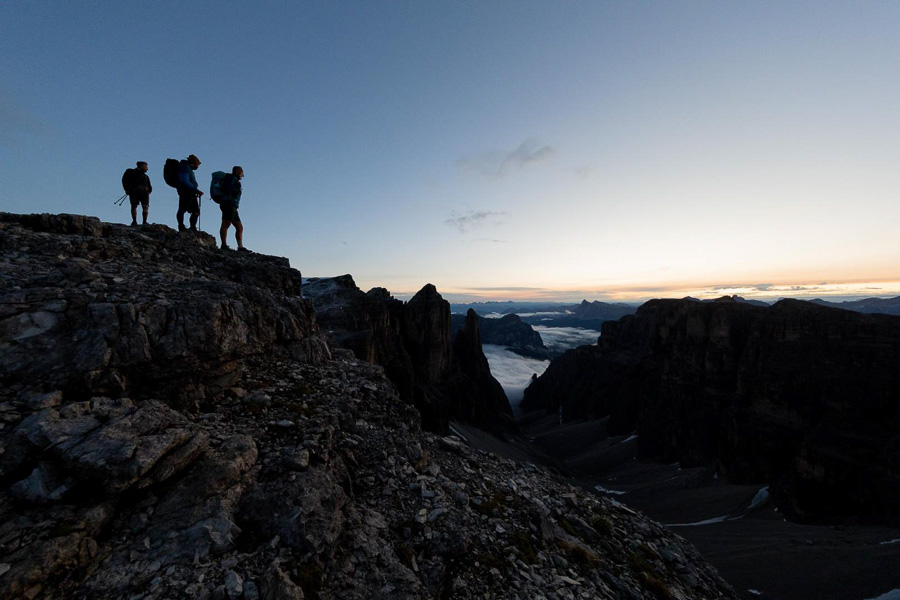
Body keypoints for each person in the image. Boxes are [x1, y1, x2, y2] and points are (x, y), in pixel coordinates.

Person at [218, 166, 249, 251]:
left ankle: (240, 247)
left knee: (239, 227)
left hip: (233, 205)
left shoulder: (234, 179)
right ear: (236, 171)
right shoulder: (230, 178)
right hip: (228, 203)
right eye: (241, 171)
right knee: (226, 223)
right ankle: (224, 245)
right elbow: (228, 190)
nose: (242, 173)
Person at [176, 154, 204, 231]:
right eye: (197, 164)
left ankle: (191, 227)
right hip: (187, 192)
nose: (197, 167)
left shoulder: (186, 167)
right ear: (193, 163)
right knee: (183, 209)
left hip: (190, 192)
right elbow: (184, 180)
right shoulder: (185, 168)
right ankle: (183, 226)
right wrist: (196, 190)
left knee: (194, 211)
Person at [122, 161, 152, 226]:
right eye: (145, 166)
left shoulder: (146, 176)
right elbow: (125, 181)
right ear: (141, 166)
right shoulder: (130, 172)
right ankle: (134, 221)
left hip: (144, 192)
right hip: (134, 191)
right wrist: (127, 189)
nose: (147, 168)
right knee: (134, 206)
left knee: (145, 206)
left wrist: (149, 191)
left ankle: (144, 221)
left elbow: (149, 185)